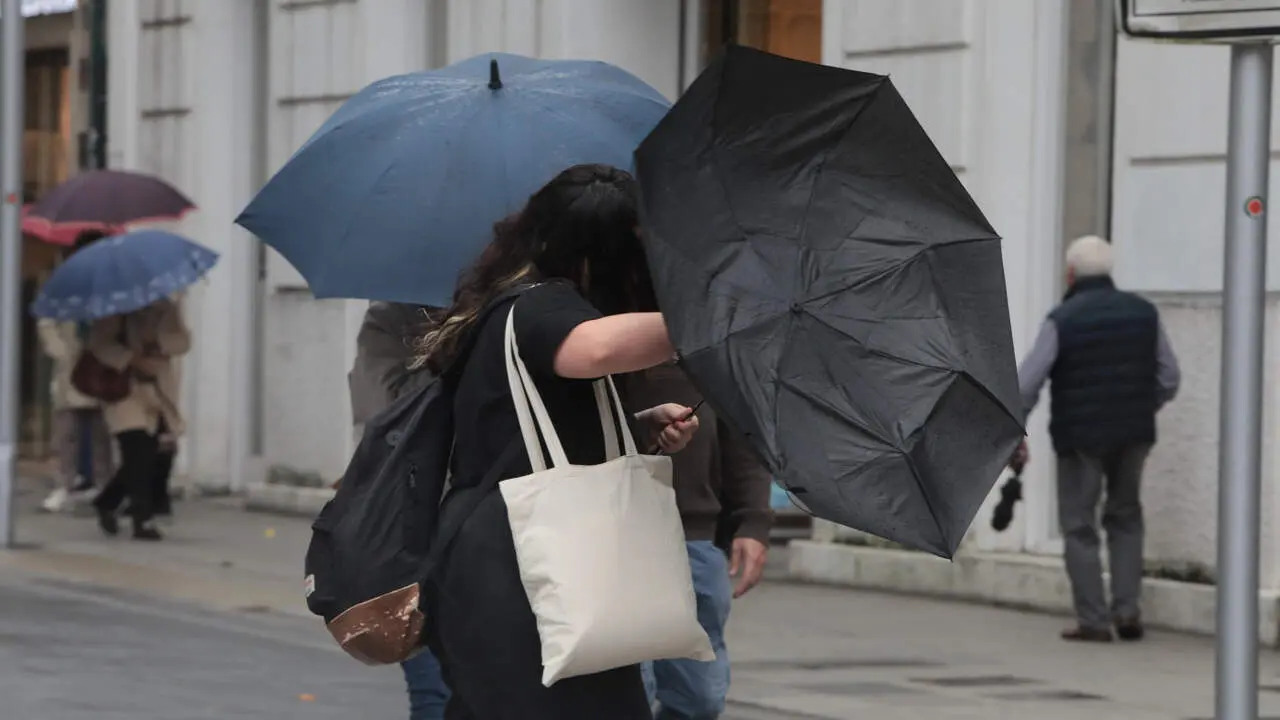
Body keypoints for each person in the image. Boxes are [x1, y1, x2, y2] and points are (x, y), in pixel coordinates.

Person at [416, 164, 699, 719]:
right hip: (519, 561)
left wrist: (639, 426)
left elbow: (515, 425)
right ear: (601, 250)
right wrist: (710, 319)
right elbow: (591, 350)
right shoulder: (543, 303)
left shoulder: (509, 300)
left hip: (523, 554)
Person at [1017, 235, 1180, 643]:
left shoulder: (1063, 319)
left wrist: (1014, 427)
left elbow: (1027, 384)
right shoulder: (1144, 314)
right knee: (1125, 517)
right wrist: (1144, 408)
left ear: (1070, 273)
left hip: (1080, 437)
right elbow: (1169, 376)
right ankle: (1127, 611)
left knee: (1079, 524)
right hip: (1133, 434)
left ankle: (1093, 620)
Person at [626, 363, 773, 719]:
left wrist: (753, 521)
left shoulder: (705, 349)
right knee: (629, 694)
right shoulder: (589, 323)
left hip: (694, 536)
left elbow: (743, 438)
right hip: (617, 535)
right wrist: (645, 426)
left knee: (700, 696)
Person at [348, 300, 449, 720]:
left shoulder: (512, 307)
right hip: (415, 526)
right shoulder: (390, 320)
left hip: (498, 525)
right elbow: (382, 414)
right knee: (435, 692)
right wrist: (446, 358)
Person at [87, 296, 191, 541]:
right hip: (123, 390)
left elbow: (183, 342)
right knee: (138, 450)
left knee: (150, 454)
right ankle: (142, 520)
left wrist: (159, 344)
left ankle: (106, 501)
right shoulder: (114, 308)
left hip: (157, 390)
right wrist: (131, 358)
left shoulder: (167, 309)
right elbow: (99, 345)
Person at [37, 231, 115, 512]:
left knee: (101, 432)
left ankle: (105, 486)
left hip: (100, 364)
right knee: (66, 431)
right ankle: (65, 485)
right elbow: (47, 321)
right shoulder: (62, 282)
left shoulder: (110, 284)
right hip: (70, 365)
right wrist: (60, 351)